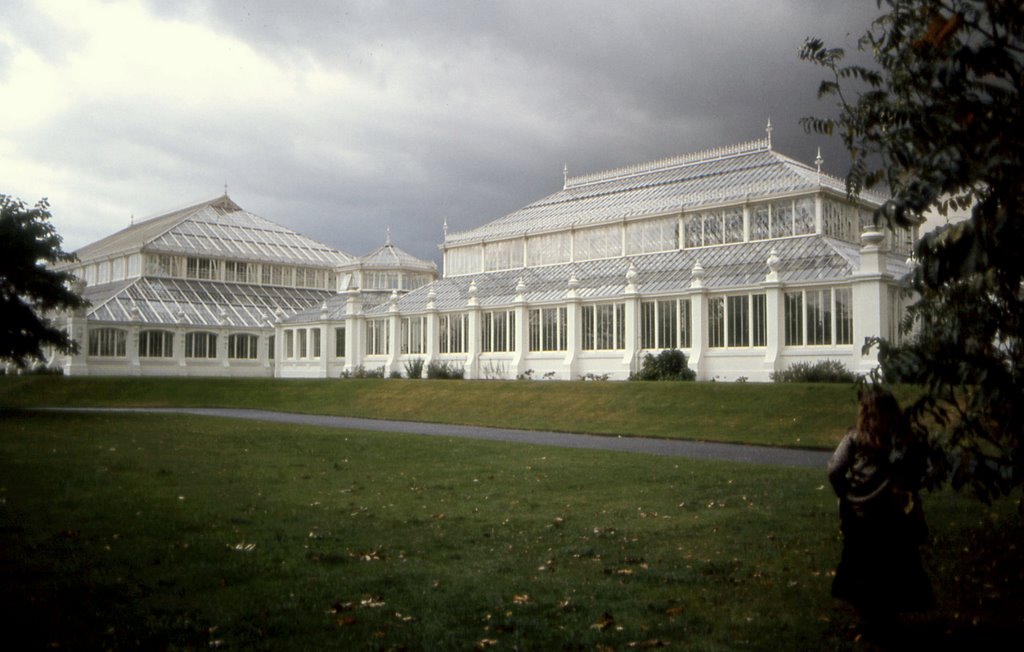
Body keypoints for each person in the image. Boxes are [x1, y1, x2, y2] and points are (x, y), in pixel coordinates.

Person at [828, 386, 933, 631]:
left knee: (861, 567)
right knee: (892, 566)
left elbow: (834, 469)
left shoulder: (854, 439)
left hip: (860, 514)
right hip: (892, 516)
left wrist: (845, 491)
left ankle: (870, 617)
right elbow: (921, 470)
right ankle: (887, 614)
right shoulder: (903, 441)